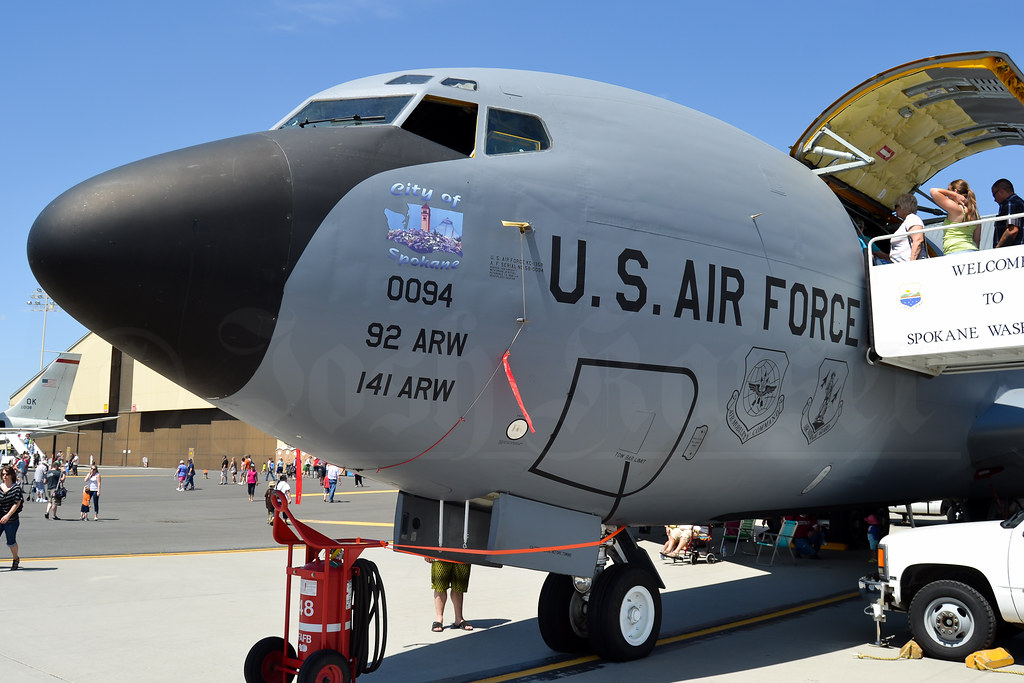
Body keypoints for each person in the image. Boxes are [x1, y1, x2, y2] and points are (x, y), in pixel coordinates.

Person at [930, 179, 980, 254]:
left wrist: (954, 195)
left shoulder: (957, 209)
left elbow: (933, 191)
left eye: (949, 192)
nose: (948, 196)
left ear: (955, 191)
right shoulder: (975, 214)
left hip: (955, 251)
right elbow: (977, 240)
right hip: (972, 251)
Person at [427, 558, 472, 632]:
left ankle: (459, 618)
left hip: (462, 550)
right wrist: (427, 551)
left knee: (459, 585)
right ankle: (439, 618)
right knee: (439, 585)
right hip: (440, 550)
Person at [890, 194, 927, 262]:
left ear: (902, 206)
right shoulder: (907, 221)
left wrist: (911, 262)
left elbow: (918, 240)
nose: (895, 209)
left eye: (896, 206)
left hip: (910, 266)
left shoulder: (912, 218)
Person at [0, 465, 24, 569]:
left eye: (7, 474)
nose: (4, 476)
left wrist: (8, 516)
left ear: (11, 475)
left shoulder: (16, 488)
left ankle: (15, 558)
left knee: (11, 541)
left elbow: (16, 503)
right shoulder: (0, 487)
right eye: (3, 474)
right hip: (0, 518)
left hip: (11, 520)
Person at [992, 178, 1024, 248]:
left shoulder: (1010, 203)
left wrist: (997, 249)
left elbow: (1012, 230)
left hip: (1012, 254)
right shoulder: (1020, 202)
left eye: (994, 195)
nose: (994, 199)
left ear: (1001, 191)